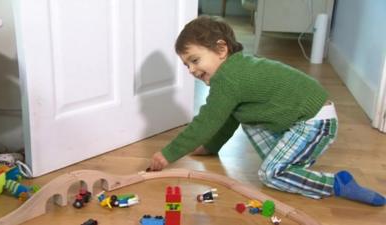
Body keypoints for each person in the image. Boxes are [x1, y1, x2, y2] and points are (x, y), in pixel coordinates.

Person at [148, 15, 385, 206]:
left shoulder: (229, 78)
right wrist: (211, 147)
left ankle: (337, 184)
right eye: (186, 65)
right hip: (302, 118)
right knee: (247, 117)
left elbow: (206, 121)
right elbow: (228, 117)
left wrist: (168, 153)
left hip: (315, 122)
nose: (191, 69)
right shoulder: (235, 71)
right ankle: (290, 166)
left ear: (221, 49)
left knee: (271, 175)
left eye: (195, 60)